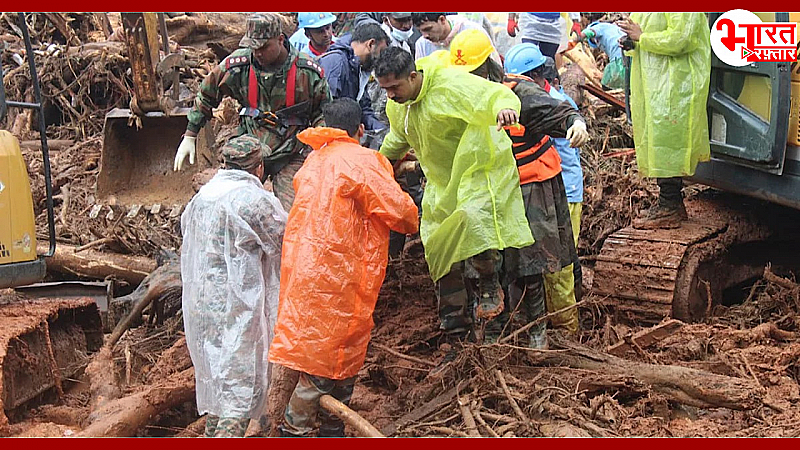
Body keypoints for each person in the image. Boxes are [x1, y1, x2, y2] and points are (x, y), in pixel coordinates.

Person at [268, 98, 419, 437]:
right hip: (340, 272)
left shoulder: (313, 160)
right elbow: (402, 215)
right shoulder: (364, 161)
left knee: (318, 348)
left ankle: (329, 426)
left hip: (305, 268)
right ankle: (296, 428)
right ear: (361, 129)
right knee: (330, 354)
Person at [375, 46, 532, 340]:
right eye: (385, 90)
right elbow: (398, 136)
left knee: (475, 222)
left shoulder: (450, 85)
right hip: (440, 183)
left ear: (412, 76)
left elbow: (491, 95)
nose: (390, 95)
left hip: (479, 168)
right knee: (439, 248)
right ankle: (454, 328)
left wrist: (504, 110)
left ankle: (489, 287)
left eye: (394, 87)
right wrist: (377, 162)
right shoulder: (398, 104)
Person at [443, 32, 588, 346]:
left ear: (488, 67)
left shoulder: (519, 91)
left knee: (529, 259)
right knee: (485, 262)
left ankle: (537, 333)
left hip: (529, 182)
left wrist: (575, 123)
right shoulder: (457, 96)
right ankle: (495, 333)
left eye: (474, 75)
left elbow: (557, 111)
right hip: (487, 187)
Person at [180, 134, 288, 437]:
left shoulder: (203, 196)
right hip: (237, 304)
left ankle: (211, 435)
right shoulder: (254, 200)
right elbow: (284, 240)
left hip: (201, 305)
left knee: (217, 381)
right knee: (240, 385)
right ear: (258, 168)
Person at [174, 13, 331, 211]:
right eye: (253, 46)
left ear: (281, 40)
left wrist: (319, 147)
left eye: (263, 47)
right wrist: (190, 134)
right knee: (230, 207)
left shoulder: (307, 72)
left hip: (292, 149)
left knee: (294, 214)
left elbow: (323, 112)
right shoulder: (239, 65)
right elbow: (207, 94)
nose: (257, 52)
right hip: (249, 147)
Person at [618, 14, 711, 229]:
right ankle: (668, 201)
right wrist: (632, 41)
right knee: (659, 140)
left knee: (669, 140)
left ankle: (670, 203)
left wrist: (643, 37)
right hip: (655, 82)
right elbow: (646, 32)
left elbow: (682, 38)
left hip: (676, 83)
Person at [318, 22, 390, 133]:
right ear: (371, 44)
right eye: (381, 52)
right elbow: (328, 110)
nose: (381, 59)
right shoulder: (336, 61)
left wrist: (382, 131)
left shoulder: (360, 68)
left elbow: (363, 109)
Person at [411, 13, 499, 62]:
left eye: (428, 29)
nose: (425, 35)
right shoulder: (422, 44)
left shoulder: (472, 31)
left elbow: (493, 63)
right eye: (420, 31)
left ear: (442, 20)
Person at [571, 20, 627, 89]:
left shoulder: (600, 27)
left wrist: (577, 38)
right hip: (628, 52)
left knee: (607, 86)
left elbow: (590, 32)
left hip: (618, 54)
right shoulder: (613, 29)